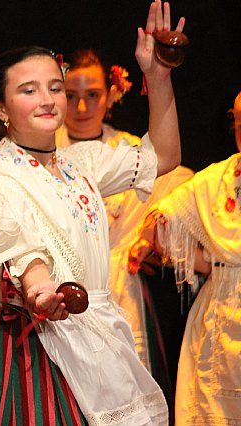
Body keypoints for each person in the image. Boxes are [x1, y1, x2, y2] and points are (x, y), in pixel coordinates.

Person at [0, 1, 184, 424]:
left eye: (53, 87)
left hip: (95, 332)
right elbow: (28, 261)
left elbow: (164, 155)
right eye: (28, 90)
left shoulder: (81, 163)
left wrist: (158, 76)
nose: (47, 100)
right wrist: (43, 294)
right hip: (39, 349)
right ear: (0, 109)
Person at [56, 48, 194, 417]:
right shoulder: (46, 151)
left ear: (112, 94)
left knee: (127, 393)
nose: (81, 108)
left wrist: (152, 233)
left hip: (121, 291)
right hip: (61, 290)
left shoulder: (125, 148)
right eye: (70, 95)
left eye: (93, 95)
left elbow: (180, 181)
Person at [132, 90, 241, 424]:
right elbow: (157, 226)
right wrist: (212, 266)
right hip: (222, 318)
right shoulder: (217, 179)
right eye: (239, 122)